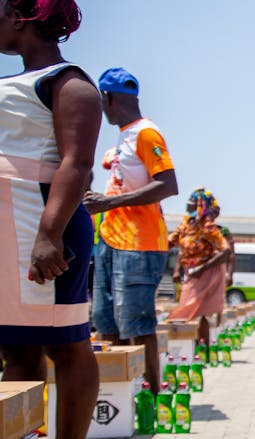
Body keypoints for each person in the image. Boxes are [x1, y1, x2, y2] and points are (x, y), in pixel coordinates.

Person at [0, 0, 99, 439]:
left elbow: (77, 164)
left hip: (41, 225)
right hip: (1, 228)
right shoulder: (1, 83)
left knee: (65, 342)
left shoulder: (68, 82)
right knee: (16, 344)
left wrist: (49, 234)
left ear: (22, 18)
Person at [82, 66, 178, 392]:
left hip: (139, 243)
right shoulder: (124, 136)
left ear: (106, 98)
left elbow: (167, 185)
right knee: (105, 322)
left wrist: (108, 204)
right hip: (111, 239)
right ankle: (116, 394)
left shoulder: (146, 133)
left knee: (137, 322)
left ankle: (152, 394)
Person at [167, 188, 230, 344]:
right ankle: (193, 346)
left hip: (207, 273)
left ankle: (203, 349)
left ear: (201, 205)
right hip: (191, 272)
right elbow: (171, 242)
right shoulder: (186, 223)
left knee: (198, 312)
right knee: (189, 310)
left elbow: (226, 251)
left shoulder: (207, 226)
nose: (188, 203)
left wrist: (202, 268)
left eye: (193, 201)